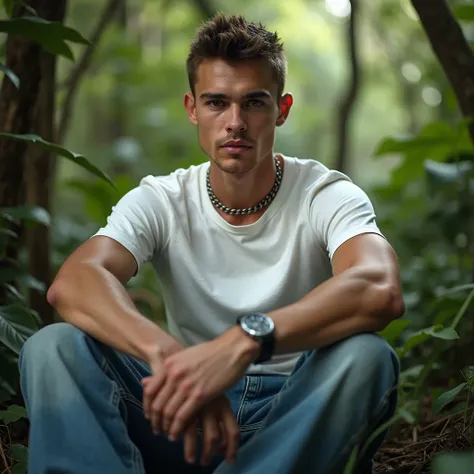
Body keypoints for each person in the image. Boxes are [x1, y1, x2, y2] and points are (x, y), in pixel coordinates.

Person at [19, 13, 404, 474]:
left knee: (367, 358)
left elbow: (379, 286)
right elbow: (74, 284)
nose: (235, 122)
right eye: (217, 102)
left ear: (281, 109)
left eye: (254, 103)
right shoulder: (163, 198)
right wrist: (175, 361)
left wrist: (243, 342)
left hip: (290, 416)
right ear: (192, 108)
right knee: (52, 347)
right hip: (179, 418)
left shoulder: (325, 193)